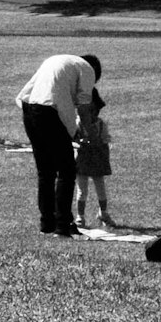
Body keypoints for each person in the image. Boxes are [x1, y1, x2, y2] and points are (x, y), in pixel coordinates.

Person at [13, 50, 99, 237]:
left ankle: (47, 225)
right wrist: (90, 134)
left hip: (29, 111)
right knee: (66, 170)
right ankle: (63, 226)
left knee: (46, 171)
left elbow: (25, 94)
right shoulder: (87, 70)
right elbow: (83, 107)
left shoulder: (58, 62)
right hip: (48, 113)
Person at [70, 78, 118, 233]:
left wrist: (102, 143)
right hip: (82, 159)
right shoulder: (77, 124)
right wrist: (81, 143)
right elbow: (72, 140)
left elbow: (105, 139)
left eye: (92, 111)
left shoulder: (101, 125)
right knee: (82, 189)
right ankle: (80, 216)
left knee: (100, 187)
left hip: (97, 159)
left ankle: (103, 213)